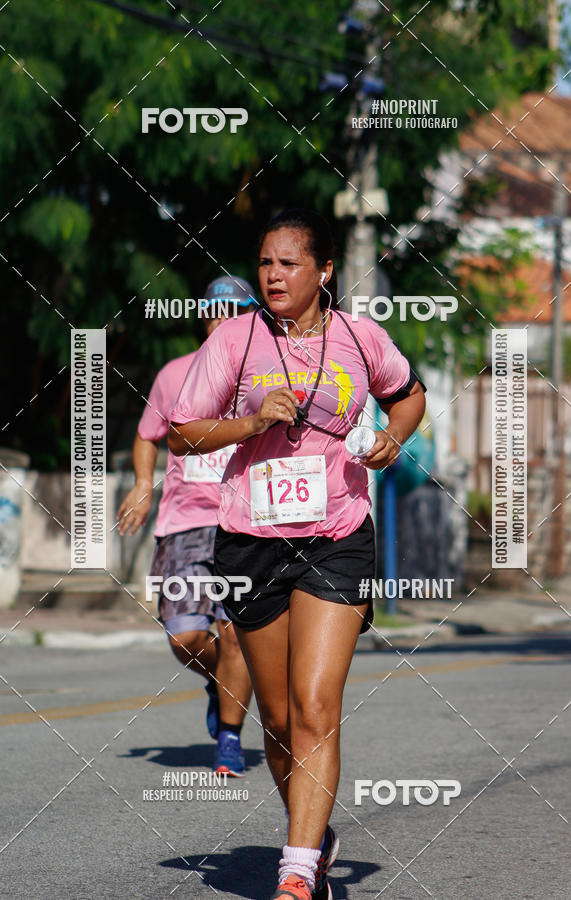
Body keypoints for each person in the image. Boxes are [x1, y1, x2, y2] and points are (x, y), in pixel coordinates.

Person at [169, 209, 426, 899]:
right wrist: (250, 422)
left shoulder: (359, 337)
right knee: (279, 721)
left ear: (324, 271)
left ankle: (296, 871)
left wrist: (392, 440)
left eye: (288, 263)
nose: (274, 275)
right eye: (264, 264)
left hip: (336, 535)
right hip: (250, 540)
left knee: (316, 708)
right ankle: (312, 837)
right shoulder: (234, 341)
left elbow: (408, 396)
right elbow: (181, 433)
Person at [118, 276, 256, 777]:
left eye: (235, 310)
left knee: (237, 635)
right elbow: (147, 433)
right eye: (215, 310)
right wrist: (141, 483)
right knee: (185, 638)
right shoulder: (176, 374)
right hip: (184, 522)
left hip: (246, 522)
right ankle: (220, 683)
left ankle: (229, 738)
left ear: (252, 315)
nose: (223, 320)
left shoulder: (265, 374)